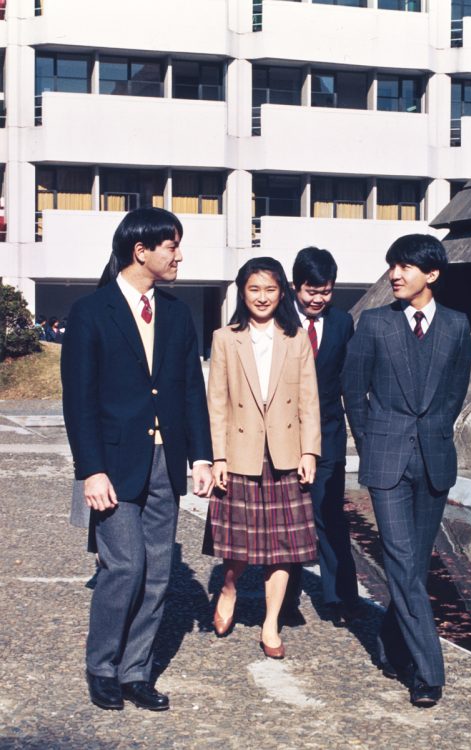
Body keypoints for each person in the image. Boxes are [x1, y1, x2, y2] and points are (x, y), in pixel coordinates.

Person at [61, 207, 214, 712]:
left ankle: (135, 671)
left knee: (158, 571)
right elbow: (78, 398)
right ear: (140, 251)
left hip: (166, 463)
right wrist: (90, 469)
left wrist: (202, 457)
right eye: (171, 246)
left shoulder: (175, 313)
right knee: (124, 566)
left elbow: (191, 389)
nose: (179, 255)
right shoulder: (91, 312)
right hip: (114, 464)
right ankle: (101, 666)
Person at [342, 234, 471, 708]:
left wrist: (435, 432)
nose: (394, 275)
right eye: (391, 266)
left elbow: (456, 391)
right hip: (387, 462)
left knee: (414, 566)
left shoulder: (457, 326)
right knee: (400, 560)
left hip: (435, 461)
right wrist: (373, 441)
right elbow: (353, 392)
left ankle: (390, 642)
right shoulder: (375, 324)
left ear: (431, 275)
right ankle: (428, 671)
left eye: (404, 267)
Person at [204, 257, 320, 659]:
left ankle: (271, 624)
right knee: (239, 543)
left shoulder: (296, 337)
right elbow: (216, 402)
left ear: (282, 292)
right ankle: (229, 587)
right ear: (242, 291)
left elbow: (309, 399)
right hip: (240, 454)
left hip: (287, 455)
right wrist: (217, 456)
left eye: (270, 289)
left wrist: (309, 451)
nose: (262, 297)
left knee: (284, 546)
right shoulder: (225, 338)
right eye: (254, 289)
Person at [282, 247, 360, 627]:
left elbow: (349, 380)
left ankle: (340, 597)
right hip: (283, 435)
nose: (317, 300)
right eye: (311, 291)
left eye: (326, 292)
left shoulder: (343, 323)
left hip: (328, 433)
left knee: (330, 515)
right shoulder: (277, 319)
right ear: (296, 286)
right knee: (288, 518)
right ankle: (286, 599)